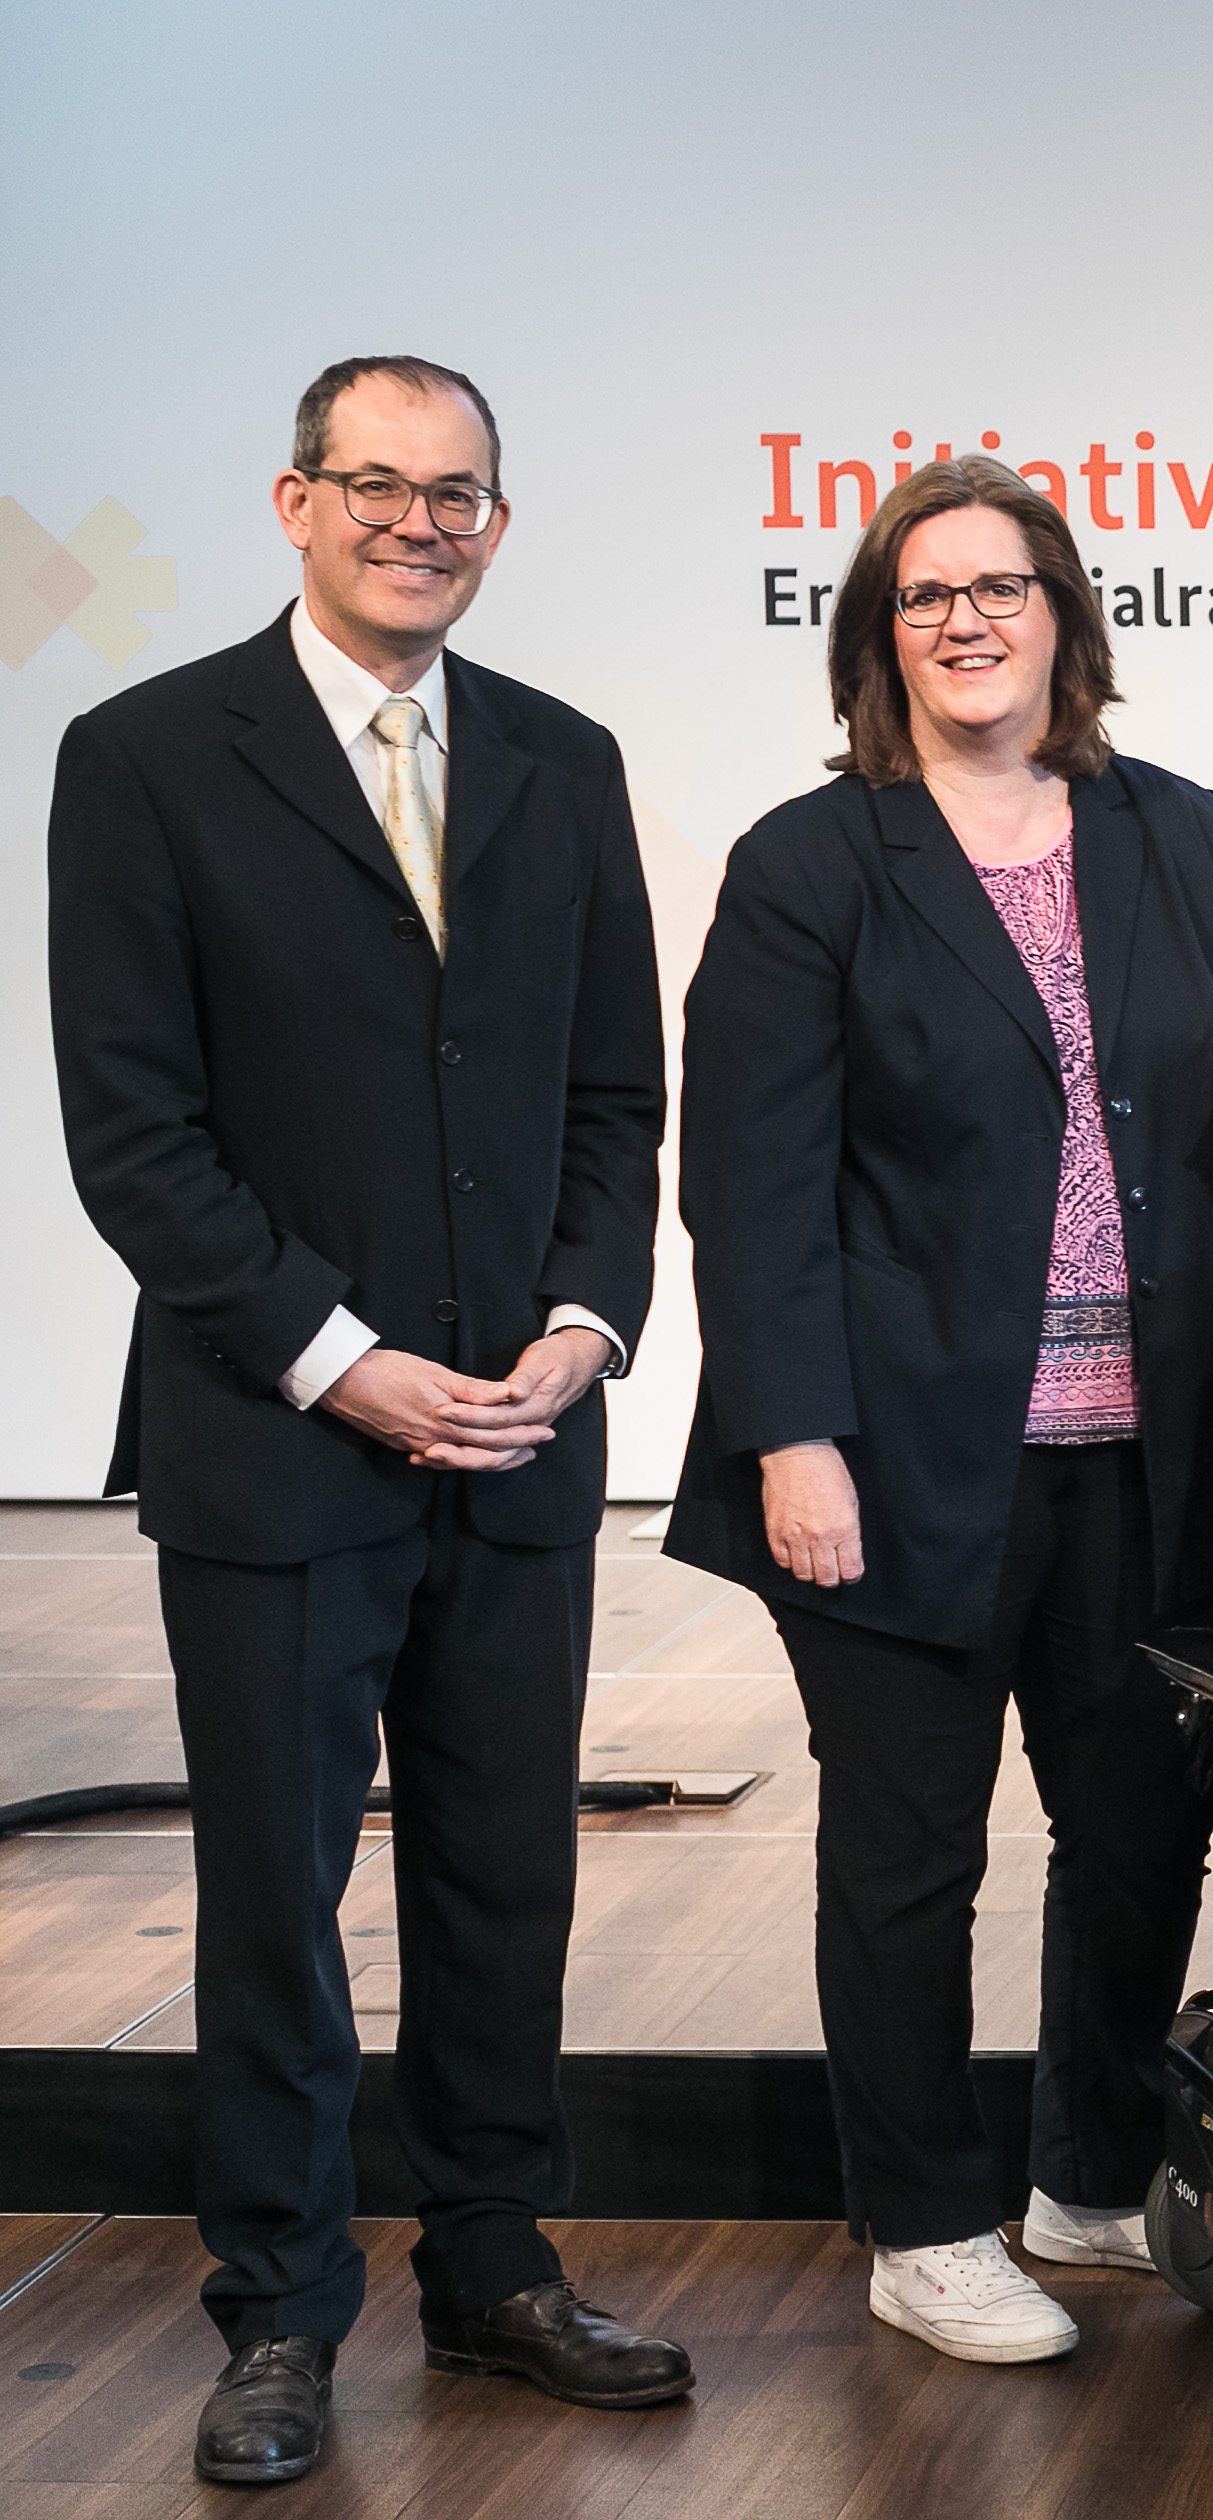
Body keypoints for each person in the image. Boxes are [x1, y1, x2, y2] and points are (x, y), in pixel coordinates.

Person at [48, 355, 688, 2485]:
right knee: (277, 1895)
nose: (426, 524)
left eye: (464, 496)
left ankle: (495, 2266)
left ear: (498, 523)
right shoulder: (140, 760)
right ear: (295, 502)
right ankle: (279, 2313)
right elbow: (135, 1141)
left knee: (506, 1881)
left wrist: (586, 1329)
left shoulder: (565, 760)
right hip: (278, 1435)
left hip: (522, 1430)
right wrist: (342, 1357)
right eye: (384, 487)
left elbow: (616, 1101)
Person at [664, 453, 1213, 2365]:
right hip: (897, 1456)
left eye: (1004, 585)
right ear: (882, 637)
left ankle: (1090, 2178)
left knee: (1139, 1835)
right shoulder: (812, 865)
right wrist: (795, 1438)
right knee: (912, 1854)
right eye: (926, 593)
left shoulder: (1172, 826)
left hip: (1146, 1445)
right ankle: (926, 2221)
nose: (970, 619)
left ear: (1065, 612)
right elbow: (755, 1183)